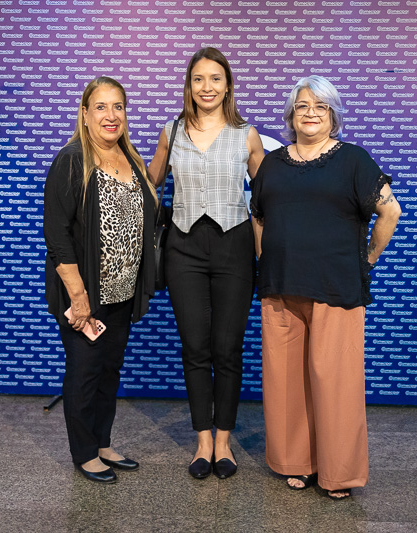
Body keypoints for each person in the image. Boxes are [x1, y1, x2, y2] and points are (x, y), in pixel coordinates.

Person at [250, 75, 401, 499]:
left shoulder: (353, 160)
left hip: (336, 287)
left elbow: (390, 212)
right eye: (302, 106)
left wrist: (366, 261)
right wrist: (268, 260)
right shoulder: (273, 164)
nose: (310, 113)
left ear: (333, 115)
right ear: (290, 116)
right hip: (280, 288)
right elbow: (257, 215)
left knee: (335, 383)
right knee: (287, 383)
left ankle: (338, 474)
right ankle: (298, 463)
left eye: (320, 106)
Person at [147, 47, 265, 479]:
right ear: (189, 86)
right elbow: (151, 180)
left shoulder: (246, 135)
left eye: (216, 79)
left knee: (227, 349)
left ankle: (224, 442)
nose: (207, 87)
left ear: (228, 85)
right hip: (184, 249)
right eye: (199, 79)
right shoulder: (171, 131)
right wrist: (101, 154)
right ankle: (202, 442)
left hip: (234, 247)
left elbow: (270, 194)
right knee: (196, 348)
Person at [43, 76, 157, 484]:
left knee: (109, 371)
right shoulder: (72, 160)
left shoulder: (132, 160)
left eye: (119, 107)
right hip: (85, 294)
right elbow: (57, 236)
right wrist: (78, 295)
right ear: (86, 115)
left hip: (122, 293)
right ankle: (84, 452)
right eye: (102, 107)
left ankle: (103, 442)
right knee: (85, 371)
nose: (112, 115)